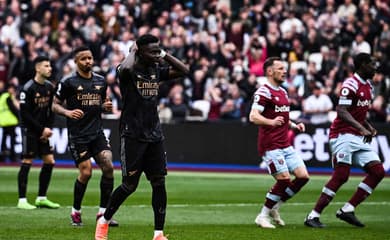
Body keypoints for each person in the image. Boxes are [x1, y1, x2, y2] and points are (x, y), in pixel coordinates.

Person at [95, 34, 189, 240]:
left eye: (158, 50)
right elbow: (126, 67)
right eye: (153, 51)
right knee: (130, 185)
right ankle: (104, 220)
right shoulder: (127, 71)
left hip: (154, 134)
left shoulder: (155, 69)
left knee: (159, 181)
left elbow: (184, 70)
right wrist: (132, 51)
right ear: (139, 51)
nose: (157, 55)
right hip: (132, 135)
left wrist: (163, 54)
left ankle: (158, 234)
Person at [304, 52, 385, 228]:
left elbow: (358, 113)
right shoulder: (350, 84)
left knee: (378, 171)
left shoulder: (368, 86)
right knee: (341, 175)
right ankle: (313, 216)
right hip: (342, 135)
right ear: (362, 65)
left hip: (357, 135)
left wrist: (368, 127)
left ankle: (347, 209)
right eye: (372, 64)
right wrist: (362, 128)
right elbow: (341, 110)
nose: (375, 67)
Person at [52, 46, 118, 227]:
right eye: (84, 59)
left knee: (108, 167)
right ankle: (76, 211)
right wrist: (67, 112)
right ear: (76, 61)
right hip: (78, 135)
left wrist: (106, 106)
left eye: (90, 58)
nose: (88, 61)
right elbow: (54, 105)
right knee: (86, 172)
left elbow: (103, 102)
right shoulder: (68, 82)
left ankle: (103, 214)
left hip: (96, 132)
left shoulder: (101, 81)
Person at [249, 57, 310, 228]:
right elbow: (253, 116)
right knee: (283, 180)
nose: (285, 71)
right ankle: (262, 216)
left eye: (285, 68)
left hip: (285, 144)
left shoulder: (283, 92)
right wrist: (271, 122)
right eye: (281, 68)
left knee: (303, 177)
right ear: (270, 71)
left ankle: (275, 206)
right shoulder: (263, 92)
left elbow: (282, 116)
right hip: (270, 145)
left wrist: (294, 125)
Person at [16, 56, 60, 209]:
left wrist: (47, 129)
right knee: (27, 161)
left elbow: (51, 110)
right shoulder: (27, 88)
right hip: (30, 130)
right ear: (38, 68)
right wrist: (41, 130)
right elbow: (25, 114)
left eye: (50, 66)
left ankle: (41, 197)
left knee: (49, 161)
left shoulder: (49, 87)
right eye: (46, 66)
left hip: (43, 132)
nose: (50, 68)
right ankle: (22, 200)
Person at [0, 83, 19, 162]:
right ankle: (12, 157)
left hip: (4, 121)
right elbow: (15, 108)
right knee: (12, 140)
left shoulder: (2, 96)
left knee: (4, 140)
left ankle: (3, 157)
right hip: (10, 121)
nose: (12, 90)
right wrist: (18, 117)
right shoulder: (8, 97)